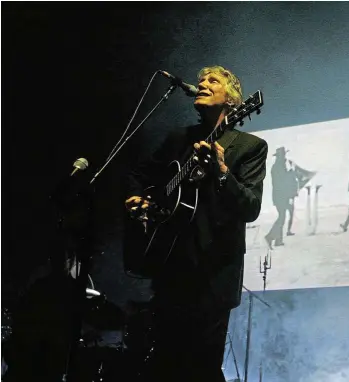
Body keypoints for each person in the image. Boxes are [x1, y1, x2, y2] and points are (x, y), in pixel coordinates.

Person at [125, 65, 268, 381]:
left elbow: (250, 207)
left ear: (233, 101)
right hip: (170, 268)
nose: (202, 83)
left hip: (212, 275)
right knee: (162, 364)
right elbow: (139, 174)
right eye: (201, 80)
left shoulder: (249, 146)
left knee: (200, 367)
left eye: (213, 81)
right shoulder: (179, 139)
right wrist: (137, 198)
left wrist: (220, 170)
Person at [264, 146, 295, 248]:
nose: (285, 157)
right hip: (280, 196)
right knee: (282, 217)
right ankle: (270, 236)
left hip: (279, 196)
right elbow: (283, 181)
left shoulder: (278, 166)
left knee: (282, 217)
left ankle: (278, 240)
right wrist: (291, 171)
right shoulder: (279, 167)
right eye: (284, 155)